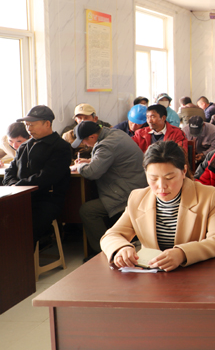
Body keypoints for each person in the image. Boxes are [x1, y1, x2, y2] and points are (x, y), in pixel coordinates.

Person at [100, 141, 215, 271]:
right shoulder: (137, 198)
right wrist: (122, 247)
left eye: (169, 178)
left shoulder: (207, 196)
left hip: (192, 273)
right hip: (151, 275)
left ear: (184, 171)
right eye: (154, 178)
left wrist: (182, 253)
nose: (161, 186)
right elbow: (112, 235)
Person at [71, 121, 147, 257]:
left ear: (93, 137)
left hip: (126, 192)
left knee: (88, 211)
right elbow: (110, 159)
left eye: (84, 141)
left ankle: (105, 251)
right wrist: (90, 161)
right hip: (136, 186)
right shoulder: (116, 134)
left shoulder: (106, 145)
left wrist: (79, 167)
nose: (84, 145)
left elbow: (92, 172)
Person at [2, 105, 72, 243]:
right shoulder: (24, 146)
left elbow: (47, 176)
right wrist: (12, 185)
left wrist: (19, 186)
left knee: (25, 230)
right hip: (19, 196)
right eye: (27, 125)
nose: (29, 129)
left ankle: (26, 255)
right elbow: (10, 170)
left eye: (32, 125)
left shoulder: (61, 147)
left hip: (45, 200)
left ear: (47, 124)